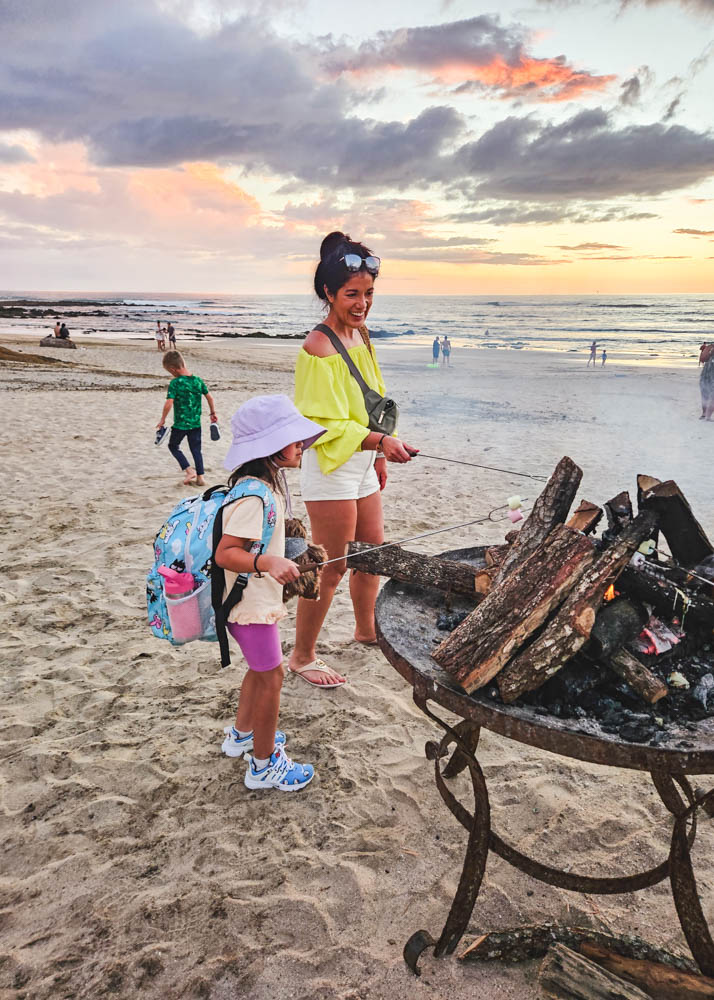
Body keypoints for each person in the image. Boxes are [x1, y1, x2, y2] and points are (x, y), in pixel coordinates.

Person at [291, 231, 418, 688]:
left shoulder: (360, 335)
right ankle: (303, 655)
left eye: (368, 293)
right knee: (331, 566)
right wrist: (378, 445)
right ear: (328, 292)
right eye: (351, 294)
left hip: (364, 460)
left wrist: (384, 448)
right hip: (331, 467)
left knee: (373, 555)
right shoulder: (317, 348)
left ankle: (366, 631)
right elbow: (318, 425)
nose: (362, 303)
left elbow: (373, 400)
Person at [215, 395, 326, 791]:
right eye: (293, 438)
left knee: (260, 672)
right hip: (248, 606)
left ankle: (242, 736)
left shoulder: (265, 487)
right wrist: (268, 564)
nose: (300, 445)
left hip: (251, 603)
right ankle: (263, 766)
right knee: (272, 677)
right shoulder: (253, 496)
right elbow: (226, 553)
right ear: (270, 448)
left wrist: (284, 554)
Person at [156, 350, 217, 486]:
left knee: (173, 446)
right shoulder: (197, 380)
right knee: (196, 450)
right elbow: (209, 397)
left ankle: (189, 471)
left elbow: (169, 402)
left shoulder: (175, 383)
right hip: (196, 424)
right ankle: (200, 478)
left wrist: (162, 419)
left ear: (173, 368)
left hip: (181, 425)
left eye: (169, 371)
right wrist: (213, 413)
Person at [699, 342, 714, 421]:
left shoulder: (709, 347)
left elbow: (702, 359)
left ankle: (704, 414)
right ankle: (707, 416)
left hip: (705, 373)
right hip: (711, 373)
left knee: (705, 394)